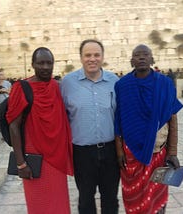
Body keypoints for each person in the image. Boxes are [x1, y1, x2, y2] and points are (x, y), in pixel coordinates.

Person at [114, 44, 183, 214]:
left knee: (158, 197)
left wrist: (172, 152)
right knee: (134, 198)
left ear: (152, 59)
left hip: (158, 153)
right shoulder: (122, 85)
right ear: (132, 61)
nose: (142, 58)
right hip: (131, 156)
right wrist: (119, 151)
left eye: (146, 55)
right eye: (137, 55)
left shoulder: (165, 84)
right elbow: (118, 120)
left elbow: (172, 119)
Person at [6, 47, 73, 213]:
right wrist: (21, 164)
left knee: (59, 204)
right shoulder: (22, 88)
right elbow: (13, 126)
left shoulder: (58, 87)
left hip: (56, 159)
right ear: (32, 64)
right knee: (39, 205)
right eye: (40, 63)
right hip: (34, 159)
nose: (45, 67)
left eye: (49, 63)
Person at [61, 39, 120, 214]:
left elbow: (120, 114)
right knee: (86, 198)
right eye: (88, 55)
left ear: (102, 57)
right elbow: (61, 115)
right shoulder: (68, 83)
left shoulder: (114, 81)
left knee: (110, 197)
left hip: (110, 151)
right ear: (81, 58)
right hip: (82, 153)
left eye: (96, 55)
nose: (92, 59)